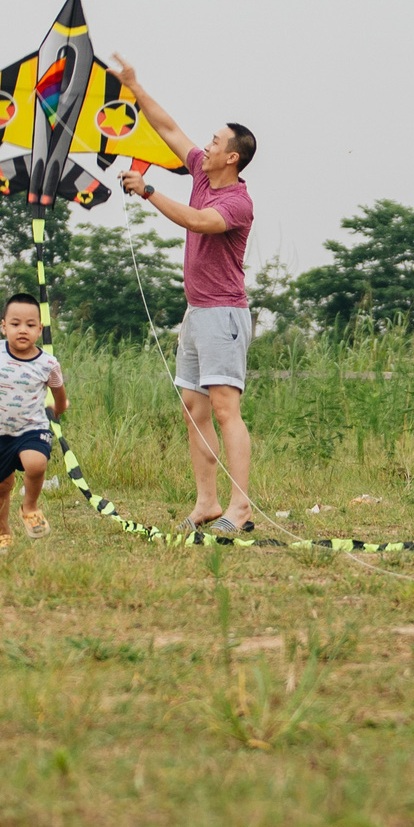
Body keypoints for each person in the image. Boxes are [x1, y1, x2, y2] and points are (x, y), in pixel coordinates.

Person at [110, 53, 258, 536]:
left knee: (224, 408)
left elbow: (198, 222)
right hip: (196, 314)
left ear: (231, 157)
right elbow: (168, 128)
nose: (206, 145)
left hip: (224, 317)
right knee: (193, 409)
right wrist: (134, 87)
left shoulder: (236, 201)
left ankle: (241, 508)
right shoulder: (199, 172)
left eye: (215, 142)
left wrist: (149, 191)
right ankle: (207, 503)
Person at [0, 292, 68, 551]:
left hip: (32, 427)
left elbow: (60, 395)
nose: (23, 330)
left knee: (36, 463)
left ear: (40, 329)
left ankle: (29, 506)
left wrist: (59, 410)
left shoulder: (48, 363)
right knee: (1, 487)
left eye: (31, 325)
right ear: (4, 325)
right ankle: (2, 533)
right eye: (16, 324)